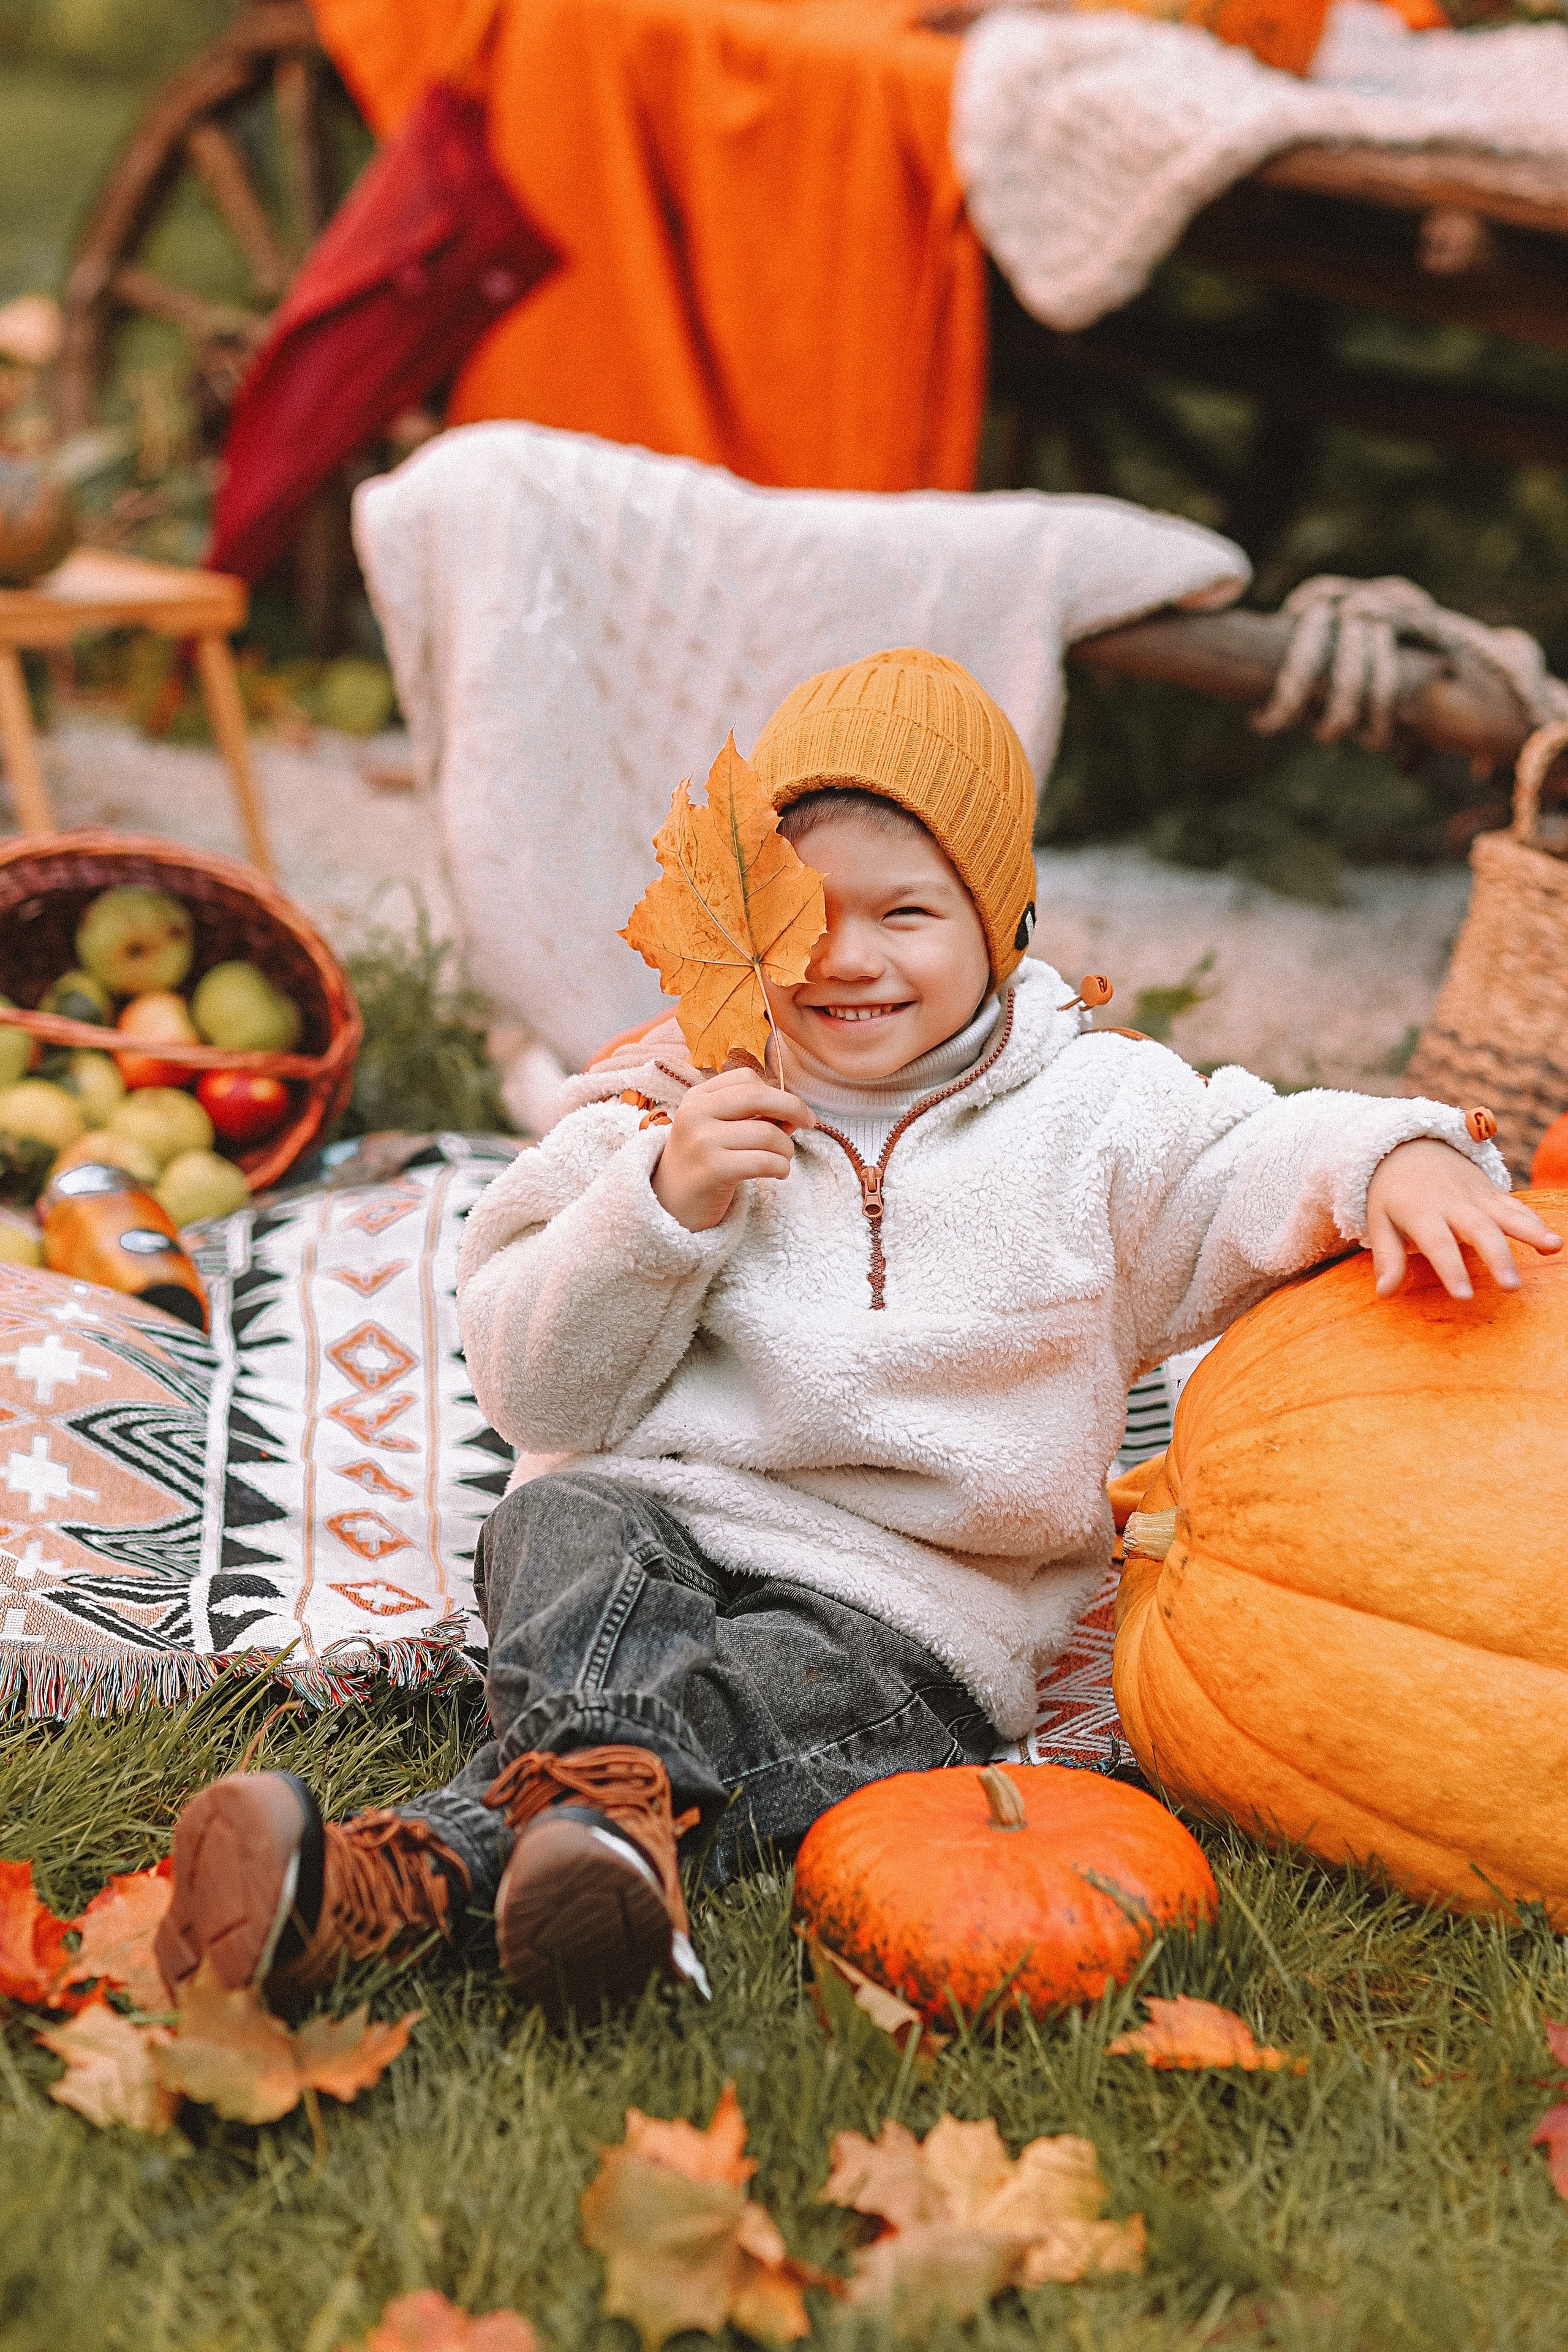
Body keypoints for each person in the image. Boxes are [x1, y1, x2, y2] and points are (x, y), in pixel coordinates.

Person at [154, 649, 1560, 2024]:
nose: (844, 956)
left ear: (1000, 923)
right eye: (801, 910)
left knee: (769, 1702)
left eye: (907, 914)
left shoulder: (1096, 1121)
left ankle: (385, 1884)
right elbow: (532, 1381)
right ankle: (589, 1841)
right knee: (557, 1532)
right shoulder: (668, 1098)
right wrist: (660, 1207)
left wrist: (1398, 1161)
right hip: (649, 1517)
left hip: (907, 1609)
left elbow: (1255, 1154)